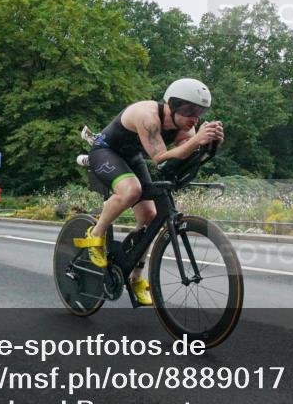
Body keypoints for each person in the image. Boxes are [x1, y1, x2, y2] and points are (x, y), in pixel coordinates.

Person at [75, 78, 224, 305]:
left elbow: (184, 159)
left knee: (150, 216)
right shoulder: (149, 117)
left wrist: (209, 145)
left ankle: (135, 277)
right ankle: (95, 235)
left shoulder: (185, 127)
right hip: (105, 152)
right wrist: (196, 142)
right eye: (189, 111)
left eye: (200, 112)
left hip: (132, 158)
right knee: (131, 190)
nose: (194, 118)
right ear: (172, 105)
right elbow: (161, 161)